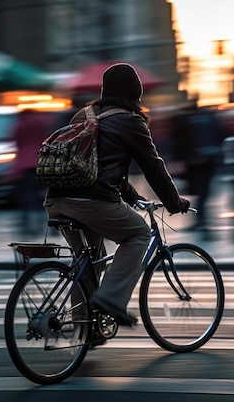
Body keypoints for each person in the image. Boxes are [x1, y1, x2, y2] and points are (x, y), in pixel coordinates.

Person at [43, 63, 190, 326]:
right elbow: (153, 167)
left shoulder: (84, 114)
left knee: (88, 260)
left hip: (57, 200)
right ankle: (111, 298)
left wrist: (133, 197)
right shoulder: (130, 122)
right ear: (135, 94)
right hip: (91, 201)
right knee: (139, 234)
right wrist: (174, 202)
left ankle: (85, 328)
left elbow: (99, 165)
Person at [172, 103, 226, 235]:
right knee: (203, 192)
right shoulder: (211, 119)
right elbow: (221, 135)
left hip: (196, 160)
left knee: (199, 191)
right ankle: (201, 219)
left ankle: (200, 220)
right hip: (210, 159)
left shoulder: (191, 121)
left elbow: (184, 142)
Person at [9, 108, 56, 238]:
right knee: (47, 195)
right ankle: (52, 225)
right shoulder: (44, 120)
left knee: (27, 197)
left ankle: (28, 225)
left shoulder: (19, 124)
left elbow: (13, 139)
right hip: (43, 162)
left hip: (24, 164)